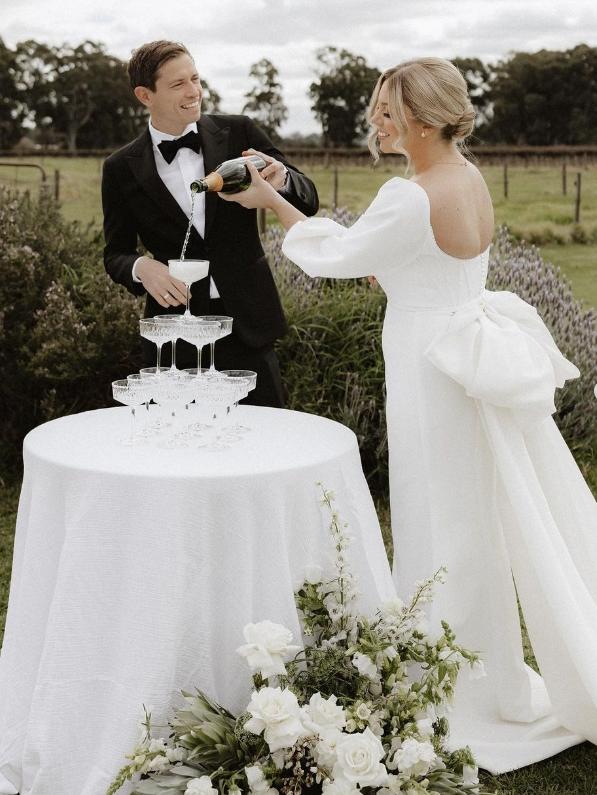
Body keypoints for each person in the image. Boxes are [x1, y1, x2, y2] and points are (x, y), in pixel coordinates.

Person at [221, 57, 597, 774]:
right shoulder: (467, 176)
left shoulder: (409, 194)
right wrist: (304, 211)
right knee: (472, 517)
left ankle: (448, 683)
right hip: (464, 362)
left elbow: (333, 260)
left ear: (423, 119)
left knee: (435, 516)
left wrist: (270, 201)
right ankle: (492, 678)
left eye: (387, 111)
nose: (376, 123)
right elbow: (396, 257)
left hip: (431, 369)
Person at [101, 40, 319, 407]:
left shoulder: (240, 133)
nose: (194, 92)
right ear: (144, 95)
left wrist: (280, 179)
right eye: (177, 84)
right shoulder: (120, 167)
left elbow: (307, 198)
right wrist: (142, 267)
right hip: (176, 335)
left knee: (263, 446)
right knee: (185, 450)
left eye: (195, 79)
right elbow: (115, 253)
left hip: (249, 327)